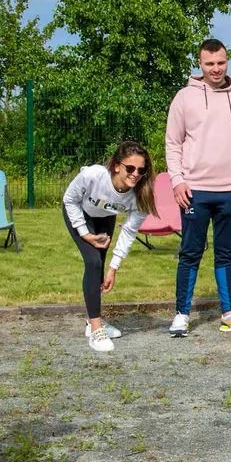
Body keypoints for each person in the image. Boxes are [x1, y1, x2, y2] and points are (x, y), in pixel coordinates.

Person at [165, 38, 231, 337]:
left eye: (220, 62)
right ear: (200, 64)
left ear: (227, 61)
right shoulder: (184, 98)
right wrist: (177, 180)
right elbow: (173, 143)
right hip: (194, 190)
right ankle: (182, 314)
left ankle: (229, 313)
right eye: (210, 64)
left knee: (226, 253)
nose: (216, 69)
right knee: (190, 253)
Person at [61, 142, 156, 352]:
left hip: (105, 216)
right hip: (79, 212)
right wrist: (85, 234)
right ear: (116, 166)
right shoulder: (93, 175)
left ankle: (91, 321)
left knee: (101, 267)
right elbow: (69, 200)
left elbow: (129, 232)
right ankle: (96, 330)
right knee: (93, 262)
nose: (135, 174)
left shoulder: (141, 195)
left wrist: (114, 267)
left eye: (141, 170)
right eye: (130, 168)